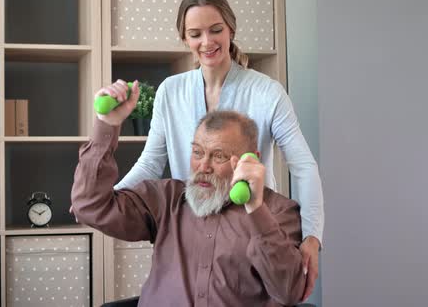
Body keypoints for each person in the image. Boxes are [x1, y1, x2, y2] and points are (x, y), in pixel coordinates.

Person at [101, 0, 323, 300]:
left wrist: (312, 236)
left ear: (231, 29)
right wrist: (110, 202)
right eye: (195, 34)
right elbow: (151, 161)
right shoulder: (170, 91)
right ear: (184, 38)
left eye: (216, 30)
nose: (207, 42)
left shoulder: (267, 92)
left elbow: (303, 166)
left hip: (249, 226)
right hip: (189, 228)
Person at [71, 101, 306, 306]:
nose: (203, 166)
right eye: (197, 152)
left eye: (219, 156)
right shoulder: (167, 198)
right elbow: (90, 207)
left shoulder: (278, 212)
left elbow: (288, 292)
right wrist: (106, 126)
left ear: (250, 158)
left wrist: (255, 209)